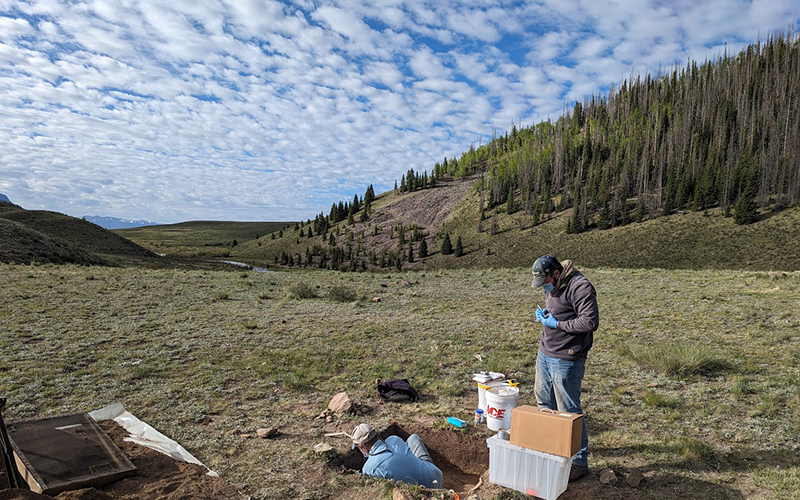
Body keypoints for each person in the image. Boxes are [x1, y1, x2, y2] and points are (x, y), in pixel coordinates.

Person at [530, 255, 599, 482]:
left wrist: (557, 324)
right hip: (546, 352)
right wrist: (547, 317)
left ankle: (579, 462)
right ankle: (551, 449)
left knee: (569, 410)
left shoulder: (581, 287)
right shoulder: (552, 284)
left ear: (556, 273)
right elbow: (559, 309)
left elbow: (589, 322)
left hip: (567, 358)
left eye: (546, 282)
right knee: (544, 403)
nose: (545, 288)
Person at [350, 423, 443, 489]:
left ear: (362, 447)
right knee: (413, 438)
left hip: (421, 493)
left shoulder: (369, 469)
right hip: (437, 477)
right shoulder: (394, 439)